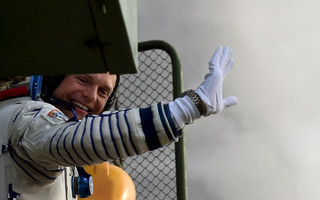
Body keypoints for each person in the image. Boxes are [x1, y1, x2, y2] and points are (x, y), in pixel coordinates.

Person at [0, 46, 238, 199]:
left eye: (103, 91)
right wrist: (186, 108)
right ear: (52, 79)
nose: (91, 96)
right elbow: (72, 141)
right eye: (83, 80)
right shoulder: (26, 119)